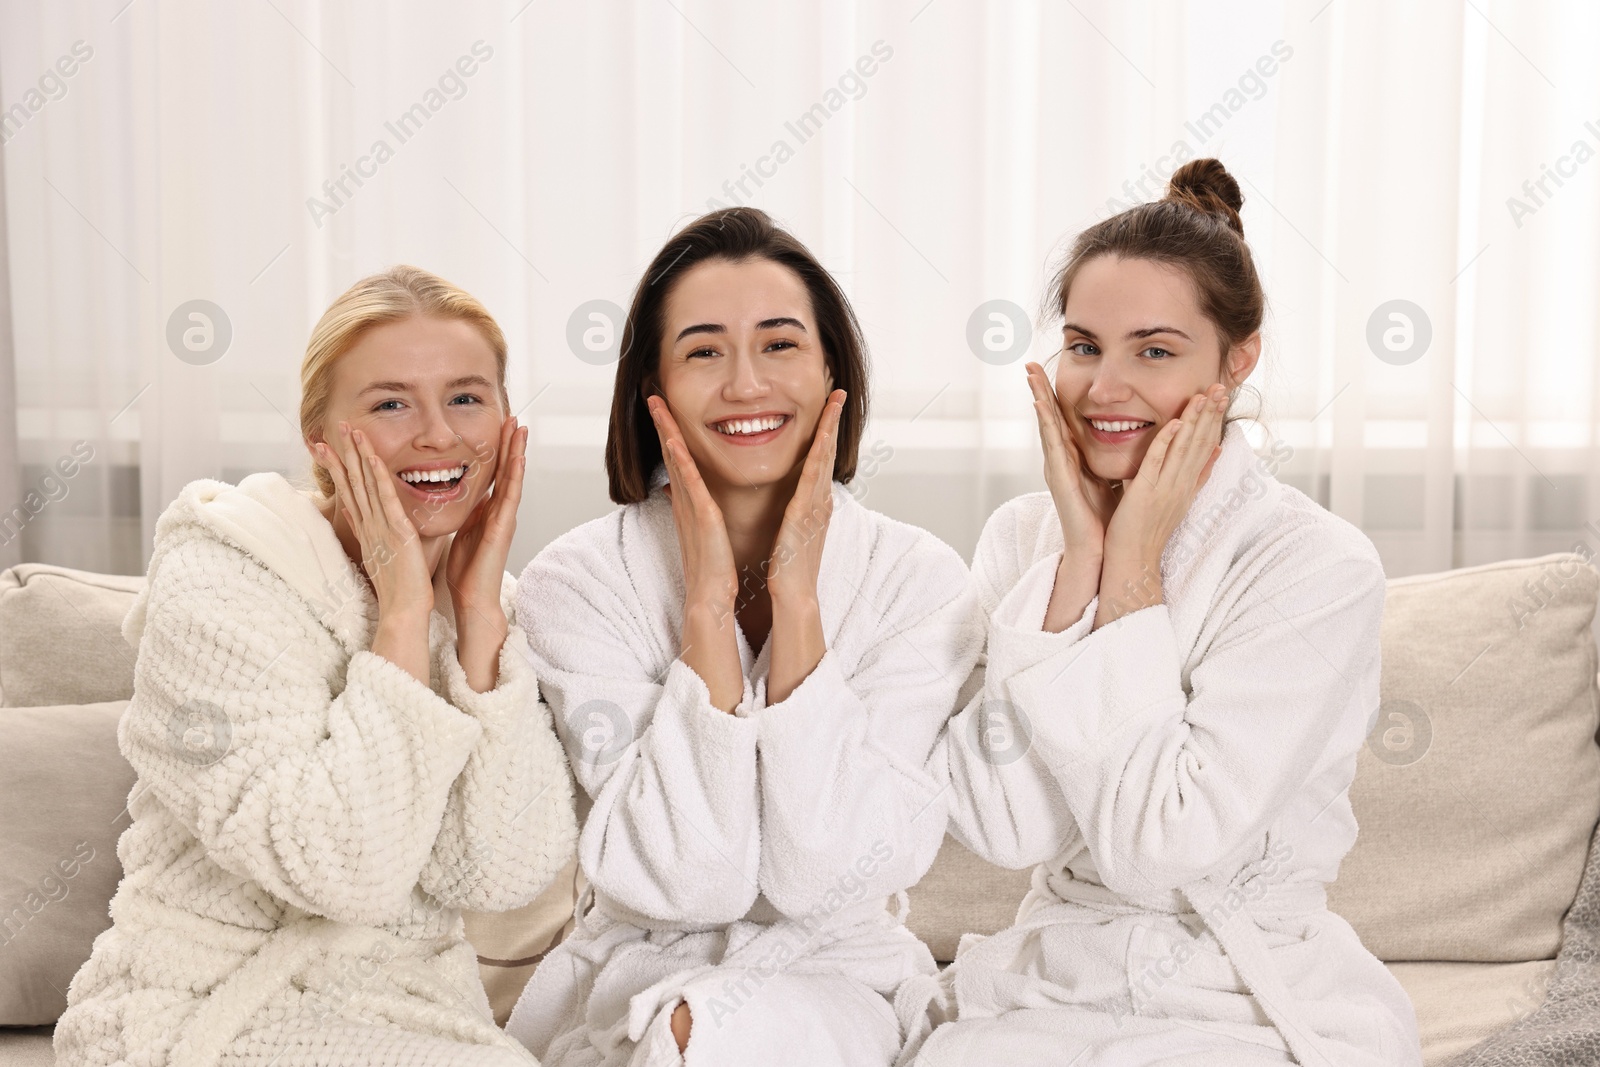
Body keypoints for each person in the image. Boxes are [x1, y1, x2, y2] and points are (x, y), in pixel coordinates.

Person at [907, 160, 1423, 1065]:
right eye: (1083, 346)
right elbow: (1004, 827)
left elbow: (1160, 848)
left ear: (1238, 357)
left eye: (1154, 350)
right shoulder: (1023, 537)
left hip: (1237, 988)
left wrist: (1133, 573)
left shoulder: (1316, 566)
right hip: (1051, 977)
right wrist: (1079, 562)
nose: (1106, 390)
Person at [56, 266, 577, 1067]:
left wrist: (474, 624)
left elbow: (497, 871)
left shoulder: (487, 604)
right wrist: (402, 615)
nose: (438, 433)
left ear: (506, 424)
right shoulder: (222, 577)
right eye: (391, 403)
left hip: (408, 1011)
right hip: (201, 1008)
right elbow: (343, 872)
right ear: (322, 440)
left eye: (467, 397)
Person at [505, 208, 984, 1066]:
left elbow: (828, 869)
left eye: (779, 344)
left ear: (832, 366)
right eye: (702, 350)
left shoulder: (920, 580)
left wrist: (796, 602)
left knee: (714, 1033)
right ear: (650, 388)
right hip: (634, 987)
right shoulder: (575, 584)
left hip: (842, 985)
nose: (745, 383)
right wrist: (706, 612)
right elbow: (688, 880)